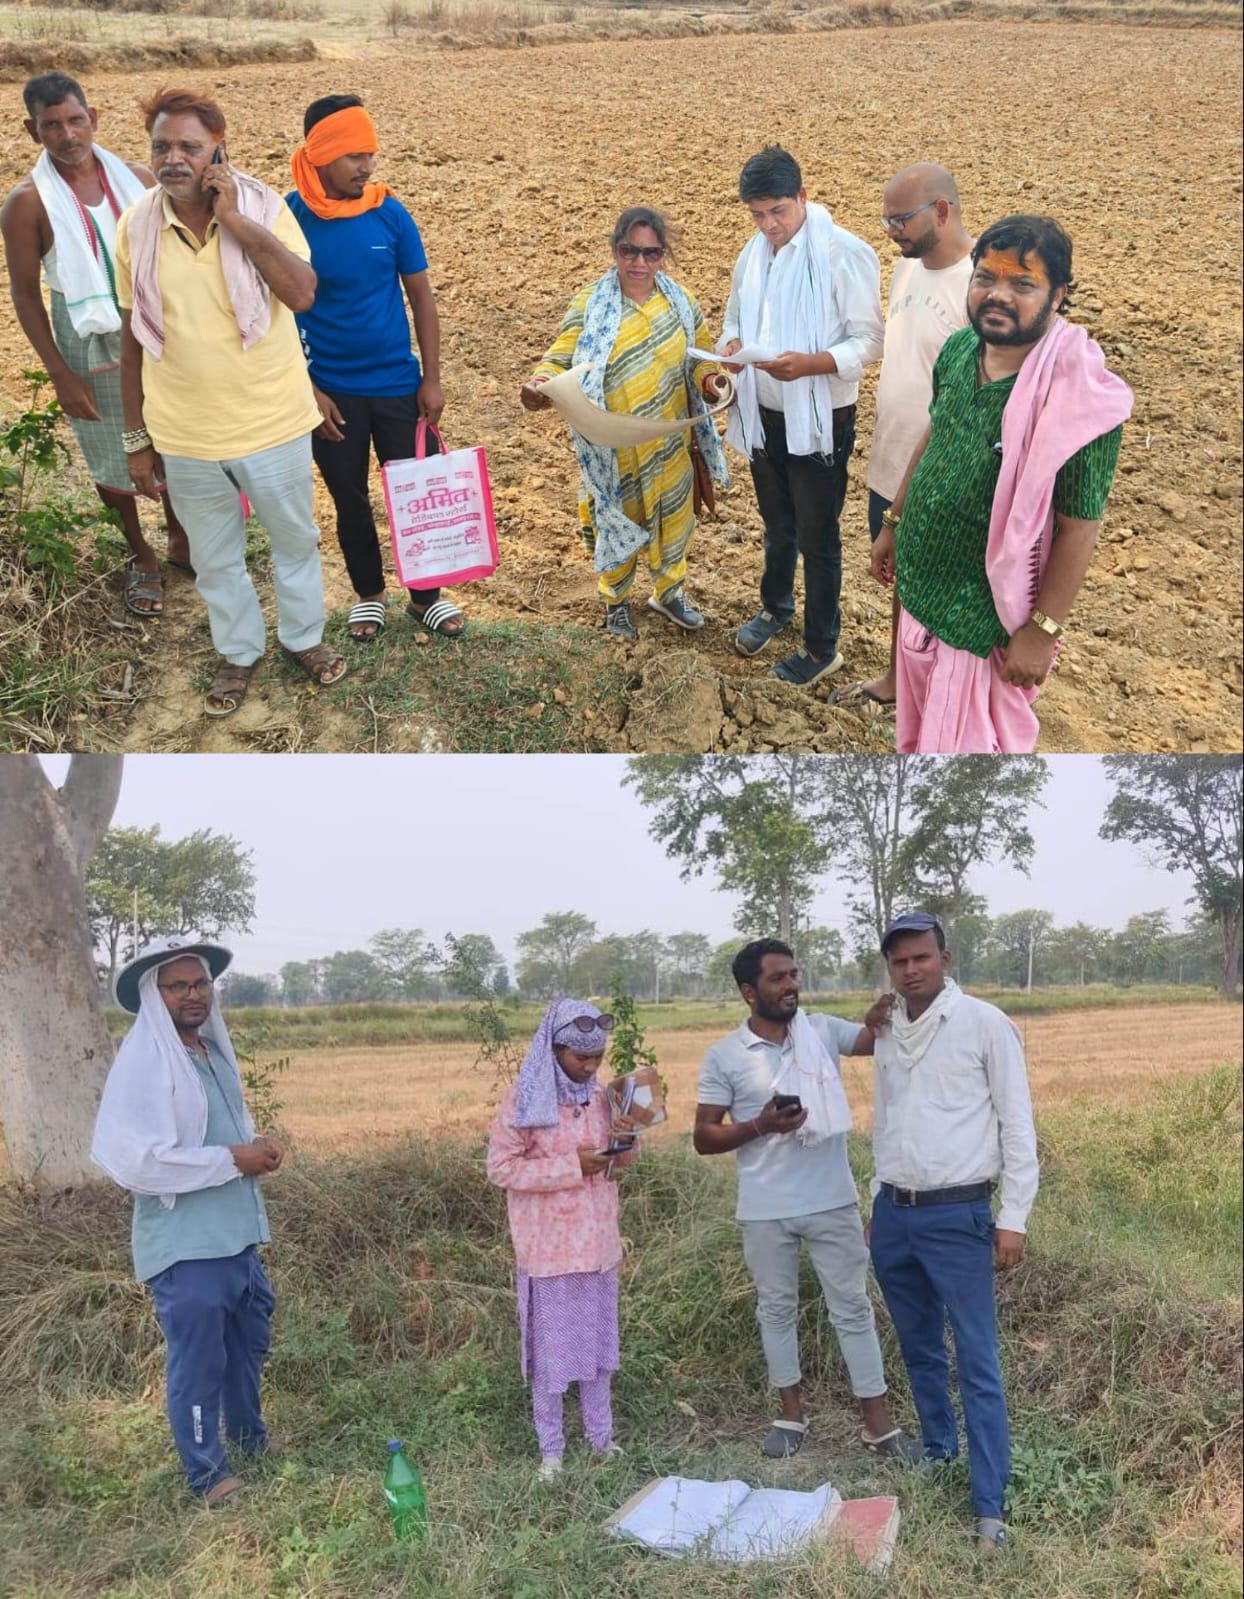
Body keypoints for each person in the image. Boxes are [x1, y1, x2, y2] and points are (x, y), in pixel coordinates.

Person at [115, 87, 347, 718]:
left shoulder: (264, 208)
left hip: (272, 421)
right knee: (215, 559)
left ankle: (303, 638)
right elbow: (132, 339)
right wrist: (136, 439)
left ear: (218, 150)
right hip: (185, 432)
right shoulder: (136, 226)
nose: (173, 159)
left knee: (294, 540)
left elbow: (302, 293)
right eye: (161, 146)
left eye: (190, 147)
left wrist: (236, 222)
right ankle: (239, 650)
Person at [872, 215, 1133, 753]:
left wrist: (1042, 630)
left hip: (981, 622)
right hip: (921, 588)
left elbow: (1079, 528)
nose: (998, 295)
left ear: (1058, 295)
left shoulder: (1076, 400)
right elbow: (934, 435)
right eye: (985, 277)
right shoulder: (959, 350)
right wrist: (894, 520)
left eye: (1022, 283)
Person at [694, 939, 920, 1462]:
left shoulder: (819, 1030)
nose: (791, 985)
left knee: (853, 1309)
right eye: (778, 978)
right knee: (776, 1311)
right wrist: (761, 1125)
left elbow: (870, 1038)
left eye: (794, 975)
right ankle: (791, 1416)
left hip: (831, 1201)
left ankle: (878, 1425)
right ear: (749, 991)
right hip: (764, 1208)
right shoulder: (726, 1055)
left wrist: (880, 1015)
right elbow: (704, 1136)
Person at [89, 934, 284, 1508]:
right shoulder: (146, 1063)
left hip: (237, 1236)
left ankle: (250, 1444)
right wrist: (233, 1160)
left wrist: (256, 1147)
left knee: (246, 1349)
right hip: (187, 1246)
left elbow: (223, 1131)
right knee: (199, 1362)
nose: (193, 995)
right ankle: (207, 1474)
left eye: (200, 984)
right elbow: (139, 1163)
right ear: (156, 995)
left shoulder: (211, 1053)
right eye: (177, 986)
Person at [866, 911, 1039, 1554]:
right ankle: (939, 1450)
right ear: (890, 968)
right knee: (918, 1347)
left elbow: (1017, 1123)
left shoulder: (985, 1024)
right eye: (900, 961)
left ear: (946, 957)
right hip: (895, 1214)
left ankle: (989, 1505)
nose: (911, 970)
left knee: (977, 1360)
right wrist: (877, 1196)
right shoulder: (888, 1029)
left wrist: (1013, 1217)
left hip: (959, 1215)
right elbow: (886, 1119)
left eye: (922, 957)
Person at [1, 71, 191, 617]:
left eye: (75, 120)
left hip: (153, 327)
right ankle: (141, 555)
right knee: (111, 452)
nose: (67, 135)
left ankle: (181, 536)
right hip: (89, 341)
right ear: (32, 131)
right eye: (51, 125)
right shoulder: (27, 203)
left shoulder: (137, 179)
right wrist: (60, 372)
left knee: (171, 435)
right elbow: (25, 294)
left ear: (94, 119)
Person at [288, 94, 464, 643]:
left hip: (396, 386)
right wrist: (308, 389)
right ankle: (369, 594)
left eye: (370, 154)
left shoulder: (389, 212)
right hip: (330, 394)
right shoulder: (289, 219)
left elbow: (422, 297)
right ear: (320, 155)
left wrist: (430, 378)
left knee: (416, 493)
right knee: (350, 499)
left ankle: (426, 597)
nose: (367, 167)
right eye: (354, 156)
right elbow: (272, 313)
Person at [520, 206, 728, 641]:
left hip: (670, 443)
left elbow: (700, 356)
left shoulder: (680, 302)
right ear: (615, 250)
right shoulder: (590, 305)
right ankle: (615, 602)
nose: (639, 262)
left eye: (651, 253)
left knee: (675, 521)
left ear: (663, 255)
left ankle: (669, 593)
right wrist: (540, 383)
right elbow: (561, 355)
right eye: (629, 251)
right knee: (617, 524)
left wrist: (711, 381)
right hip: (615, 450)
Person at [723, 146, 884, 686]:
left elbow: (870, 339)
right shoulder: (752, 255)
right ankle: (775, 608)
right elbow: (733, 319)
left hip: (821, 419)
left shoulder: (843, 253)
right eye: (758, 215)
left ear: (803, 197)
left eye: (779, 211)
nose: (769, 225)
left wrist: (812, 364)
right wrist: (732, 348)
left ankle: (820, 647)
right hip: (765, 412)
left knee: (818, 537)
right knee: (777, 524)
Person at [830, 163, 973, 713]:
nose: (892, 232)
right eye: (886, 221)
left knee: (941, 587)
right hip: (891, 460)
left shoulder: (979, 284)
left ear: (942, 210)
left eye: (900, 220)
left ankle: (945, 695)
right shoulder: (906, 268)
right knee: (906, 587)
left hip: (942, 471)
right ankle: (899, 679)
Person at [486, 1000, 638, 1479]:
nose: (590, 1067)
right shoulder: (525, 1099)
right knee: (551, 1360)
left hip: (597, 1246)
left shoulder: (601, 1097)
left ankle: (601, 1439)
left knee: (598, 1353)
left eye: (597, 1057)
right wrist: (572, 1167)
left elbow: (618, 1163)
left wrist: (627, 1140)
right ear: (553, 1050)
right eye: (580, 1057)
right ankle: (551, 1450)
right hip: (549, 1252)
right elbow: (501, 1168)